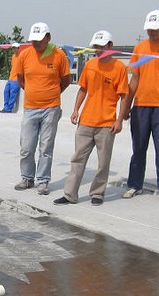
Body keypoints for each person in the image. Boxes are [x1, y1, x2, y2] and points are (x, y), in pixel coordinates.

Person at [53, 30, 129, 206]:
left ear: (110, 46)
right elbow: (83, 89)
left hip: (107, 123)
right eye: (96, 47)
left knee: (103, 162)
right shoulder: (90, 65)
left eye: (102, 47)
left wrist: (119, 120)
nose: (98, 51)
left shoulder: (119, 68)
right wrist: (75, 110)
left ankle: (97, 193)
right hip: (86, 121)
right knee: (78, 159)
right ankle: (70, 194)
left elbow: (124, 96)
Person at [122, 10, 159, 203]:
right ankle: (134, 184)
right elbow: (134, 79)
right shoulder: (140, 47)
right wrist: (126, 107)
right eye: (149, 29)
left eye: (155, 29)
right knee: (138, 148)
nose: (152, 33)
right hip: (140, 106)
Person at [13, 22, 71, 195]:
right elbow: (20, 79)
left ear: (48, 38)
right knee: (26, 146)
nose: (36, 43)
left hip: (51, 108)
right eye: (33, 40)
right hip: (30, 108)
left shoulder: (59, 55)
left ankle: (43, 181)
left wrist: (52, 93)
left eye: (39, 40)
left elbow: (66, 80)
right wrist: (33, 92)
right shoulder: (24, 55)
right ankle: (27, 177)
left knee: (46, 147)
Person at [0, 42, 21, 113]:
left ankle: (9, 109)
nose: (14, 49)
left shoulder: (21, 56)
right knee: (6, 91)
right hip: (11, 77)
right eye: (13, 48)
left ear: (18, 48)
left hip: (17, 79)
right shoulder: (13, 56)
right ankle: (5, 107)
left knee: (13, 93)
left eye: (15, 48)